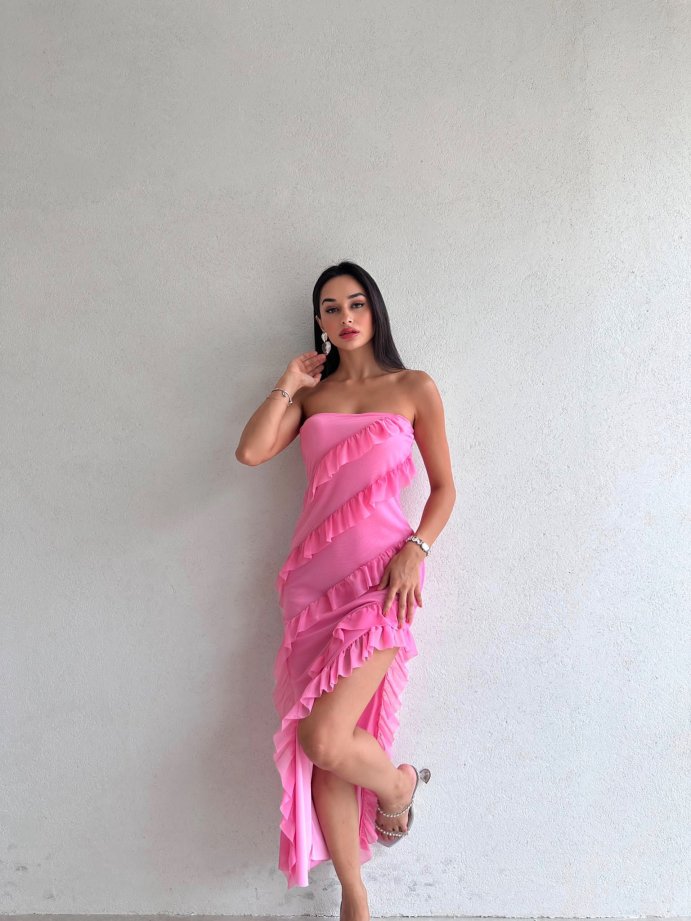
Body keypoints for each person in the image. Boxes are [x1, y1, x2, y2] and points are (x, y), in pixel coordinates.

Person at [235, 261, 456, 920]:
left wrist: (417, 550)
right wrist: (287, 383)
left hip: (383, 580)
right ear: (319, 322)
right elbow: (251, 452)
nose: (345, 317)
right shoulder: (312, 397)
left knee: (326, 739)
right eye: (330, 308)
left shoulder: (413, 387)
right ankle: (354, 900)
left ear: (374, 309)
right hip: (312, 584)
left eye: (355, 303)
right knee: (325, 747)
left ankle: (397, 787)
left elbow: (444, 488)